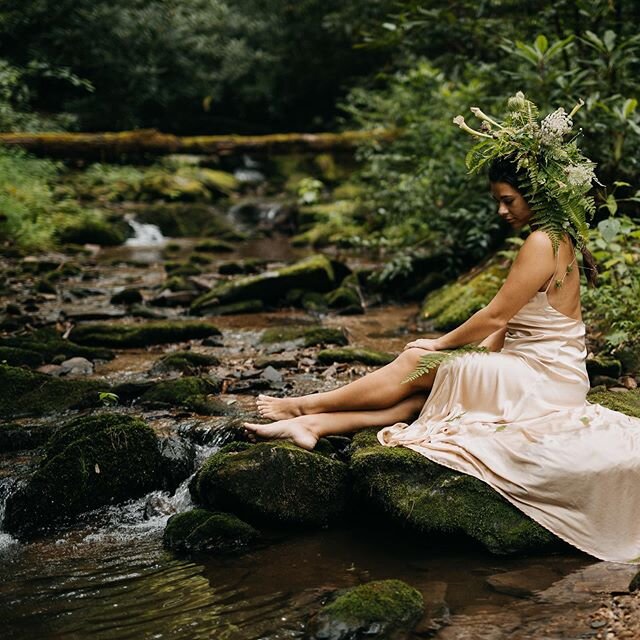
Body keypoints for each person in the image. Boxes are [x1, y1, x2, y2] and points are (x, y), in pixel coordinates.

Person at [244, 94, 640, 564]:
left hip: (545, 383)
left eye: (507, 200)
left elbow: (494, 316)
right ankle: (314, 425)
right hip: (542, 374)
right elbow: (508, 327)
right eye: (498, 201)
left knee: (418, 360)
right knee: (424, 399)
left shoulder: (541, 241)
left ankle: (300, 403)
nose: (501, 211)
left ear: (534, 194)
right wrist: (475, 359)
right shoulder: (556, 237)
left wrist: (441, 346)